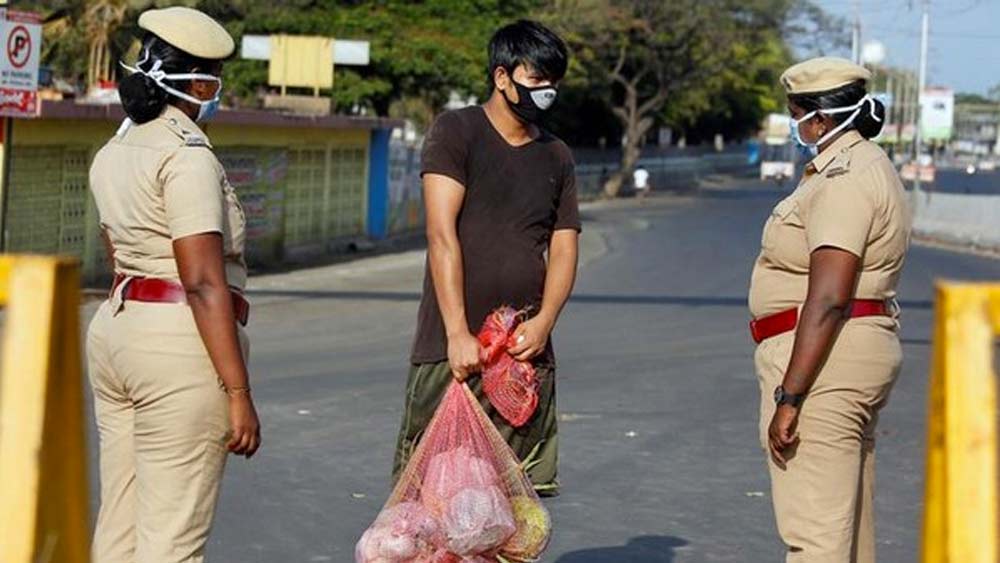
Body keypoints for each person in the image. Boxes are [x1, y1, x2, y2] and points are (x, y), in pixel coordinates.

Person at [86, 7, 260, 562]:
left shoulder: (115, 149)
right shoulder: (187, 156)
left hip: (117, 331)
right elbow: (204, 282)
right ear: (202, 84)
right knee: (171, 542)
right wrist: (239, 393)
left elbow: (117, 250)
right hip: (177, 346)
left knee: (121, 524)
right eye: (215, 82)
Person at [392, 20, 580, 495]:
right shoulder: (457, 131)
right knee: (430, 498)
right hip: (452, 350)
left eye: (553, 82)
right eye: (536, 80)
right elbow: (441, 233)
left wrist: (544, 324)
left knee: (511, 498)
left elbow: (563, 246)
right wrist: (457, 332)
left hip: (523, 355)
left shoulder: (556, 155)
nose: (547, 92)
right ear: (502, 77)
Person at [749, 57, 910, 562]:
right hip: (850, 350)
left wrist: (791, 395)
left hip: (824, 362)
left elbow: (829, 294)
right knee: (847, 533)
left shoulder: (843, 178)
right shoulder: (866, 166)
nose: (795, 124)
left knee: (816, 536)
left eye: (796, 113)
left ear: (819, 118)